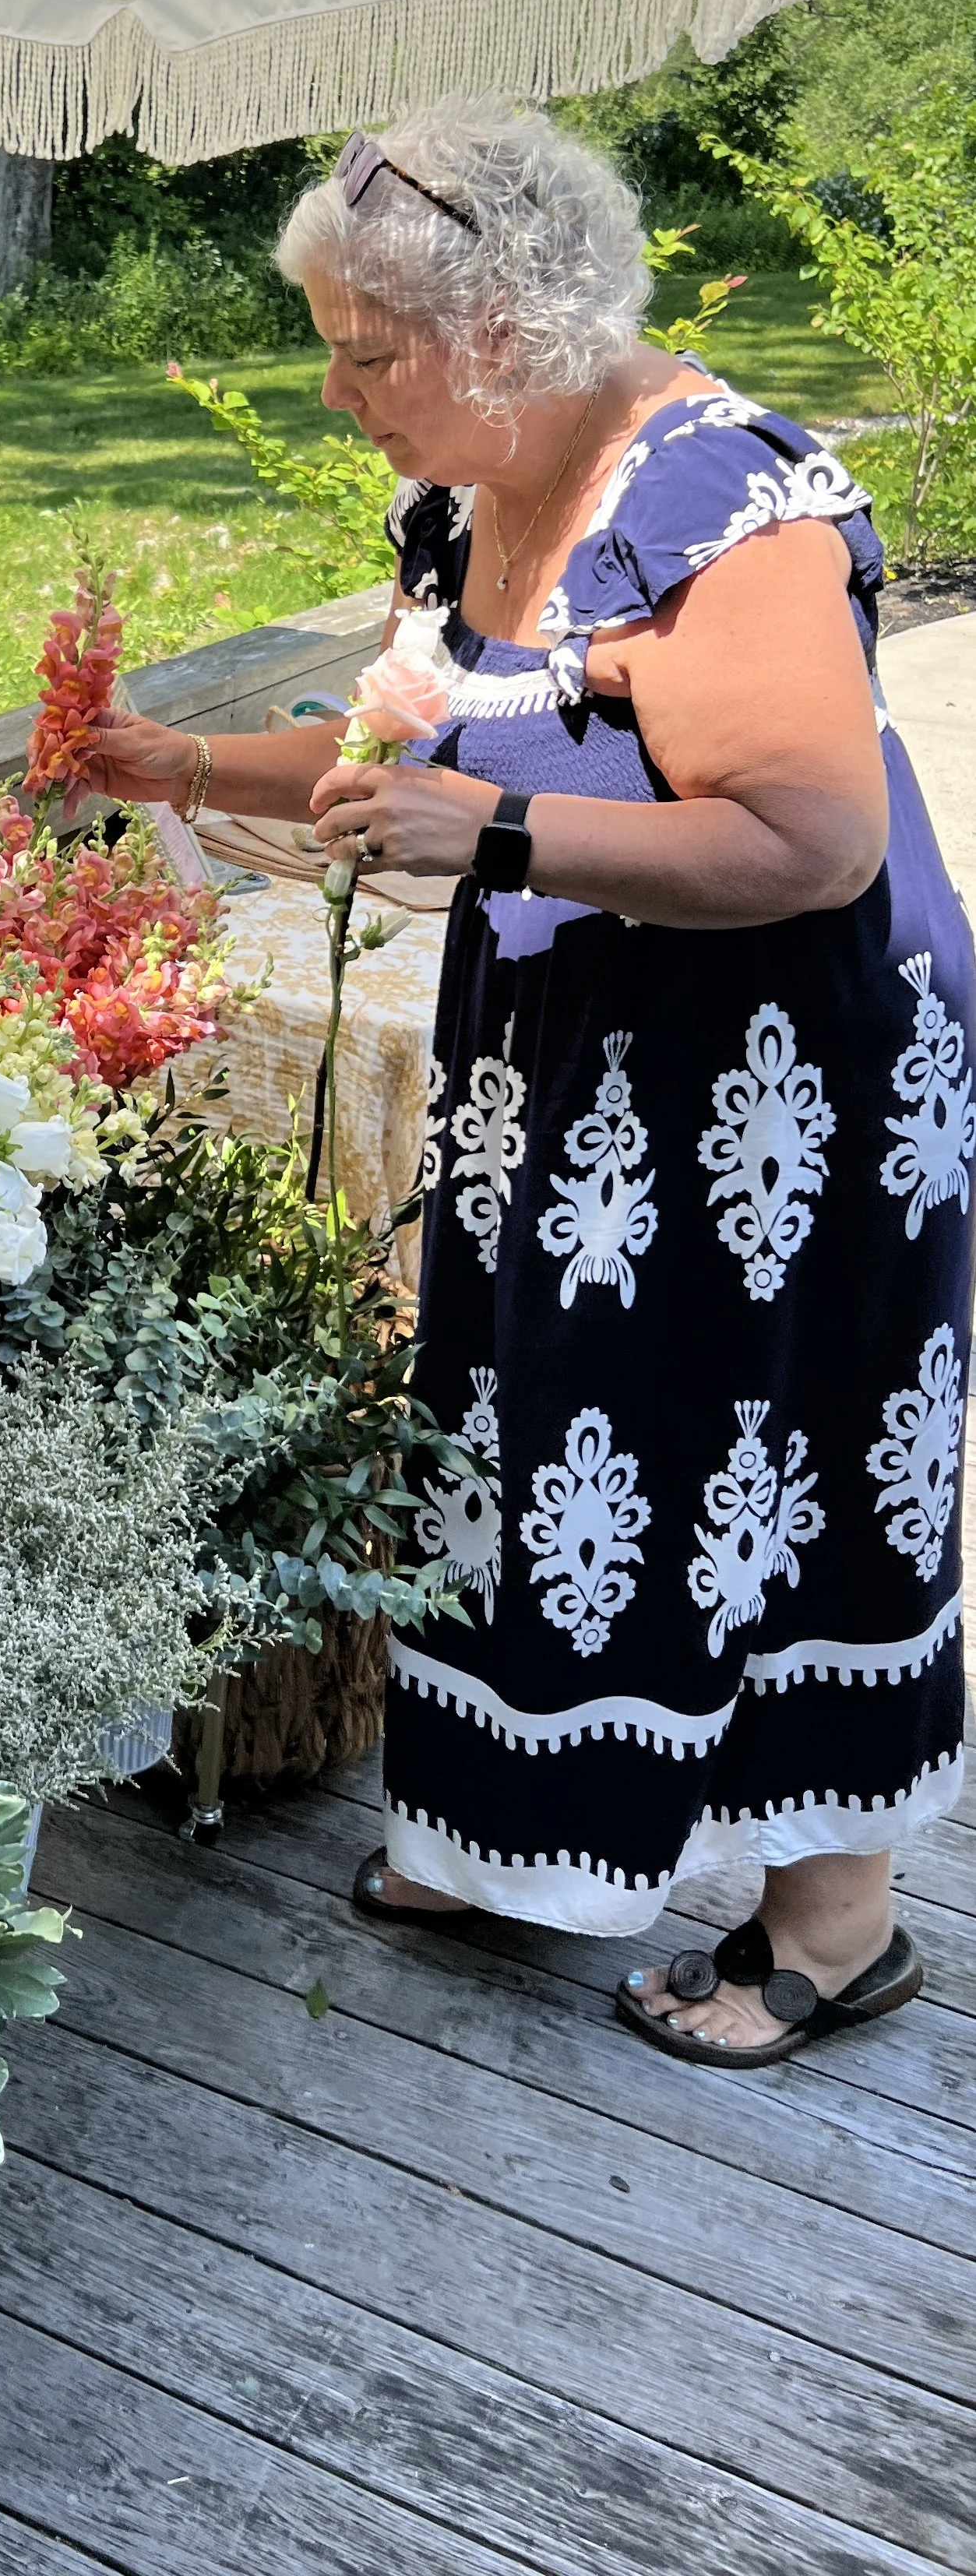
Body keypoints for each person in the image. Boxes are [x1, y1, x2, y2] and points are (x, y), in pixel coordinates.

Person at [82, 100, 971, 2070]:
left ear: (507, 326)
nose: (335, 392)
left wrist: (489, 840)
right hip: (571, 1049)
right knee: (541, 1414)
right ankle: (520, 1830)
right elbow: (404, 739)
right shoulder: (472, 491)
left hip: (778, 1080)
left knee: (759, 1436)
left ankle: (833, 1919)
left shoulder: (725, 505)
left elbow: (812, 840)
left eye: (366, 349)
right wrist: (174, 764)